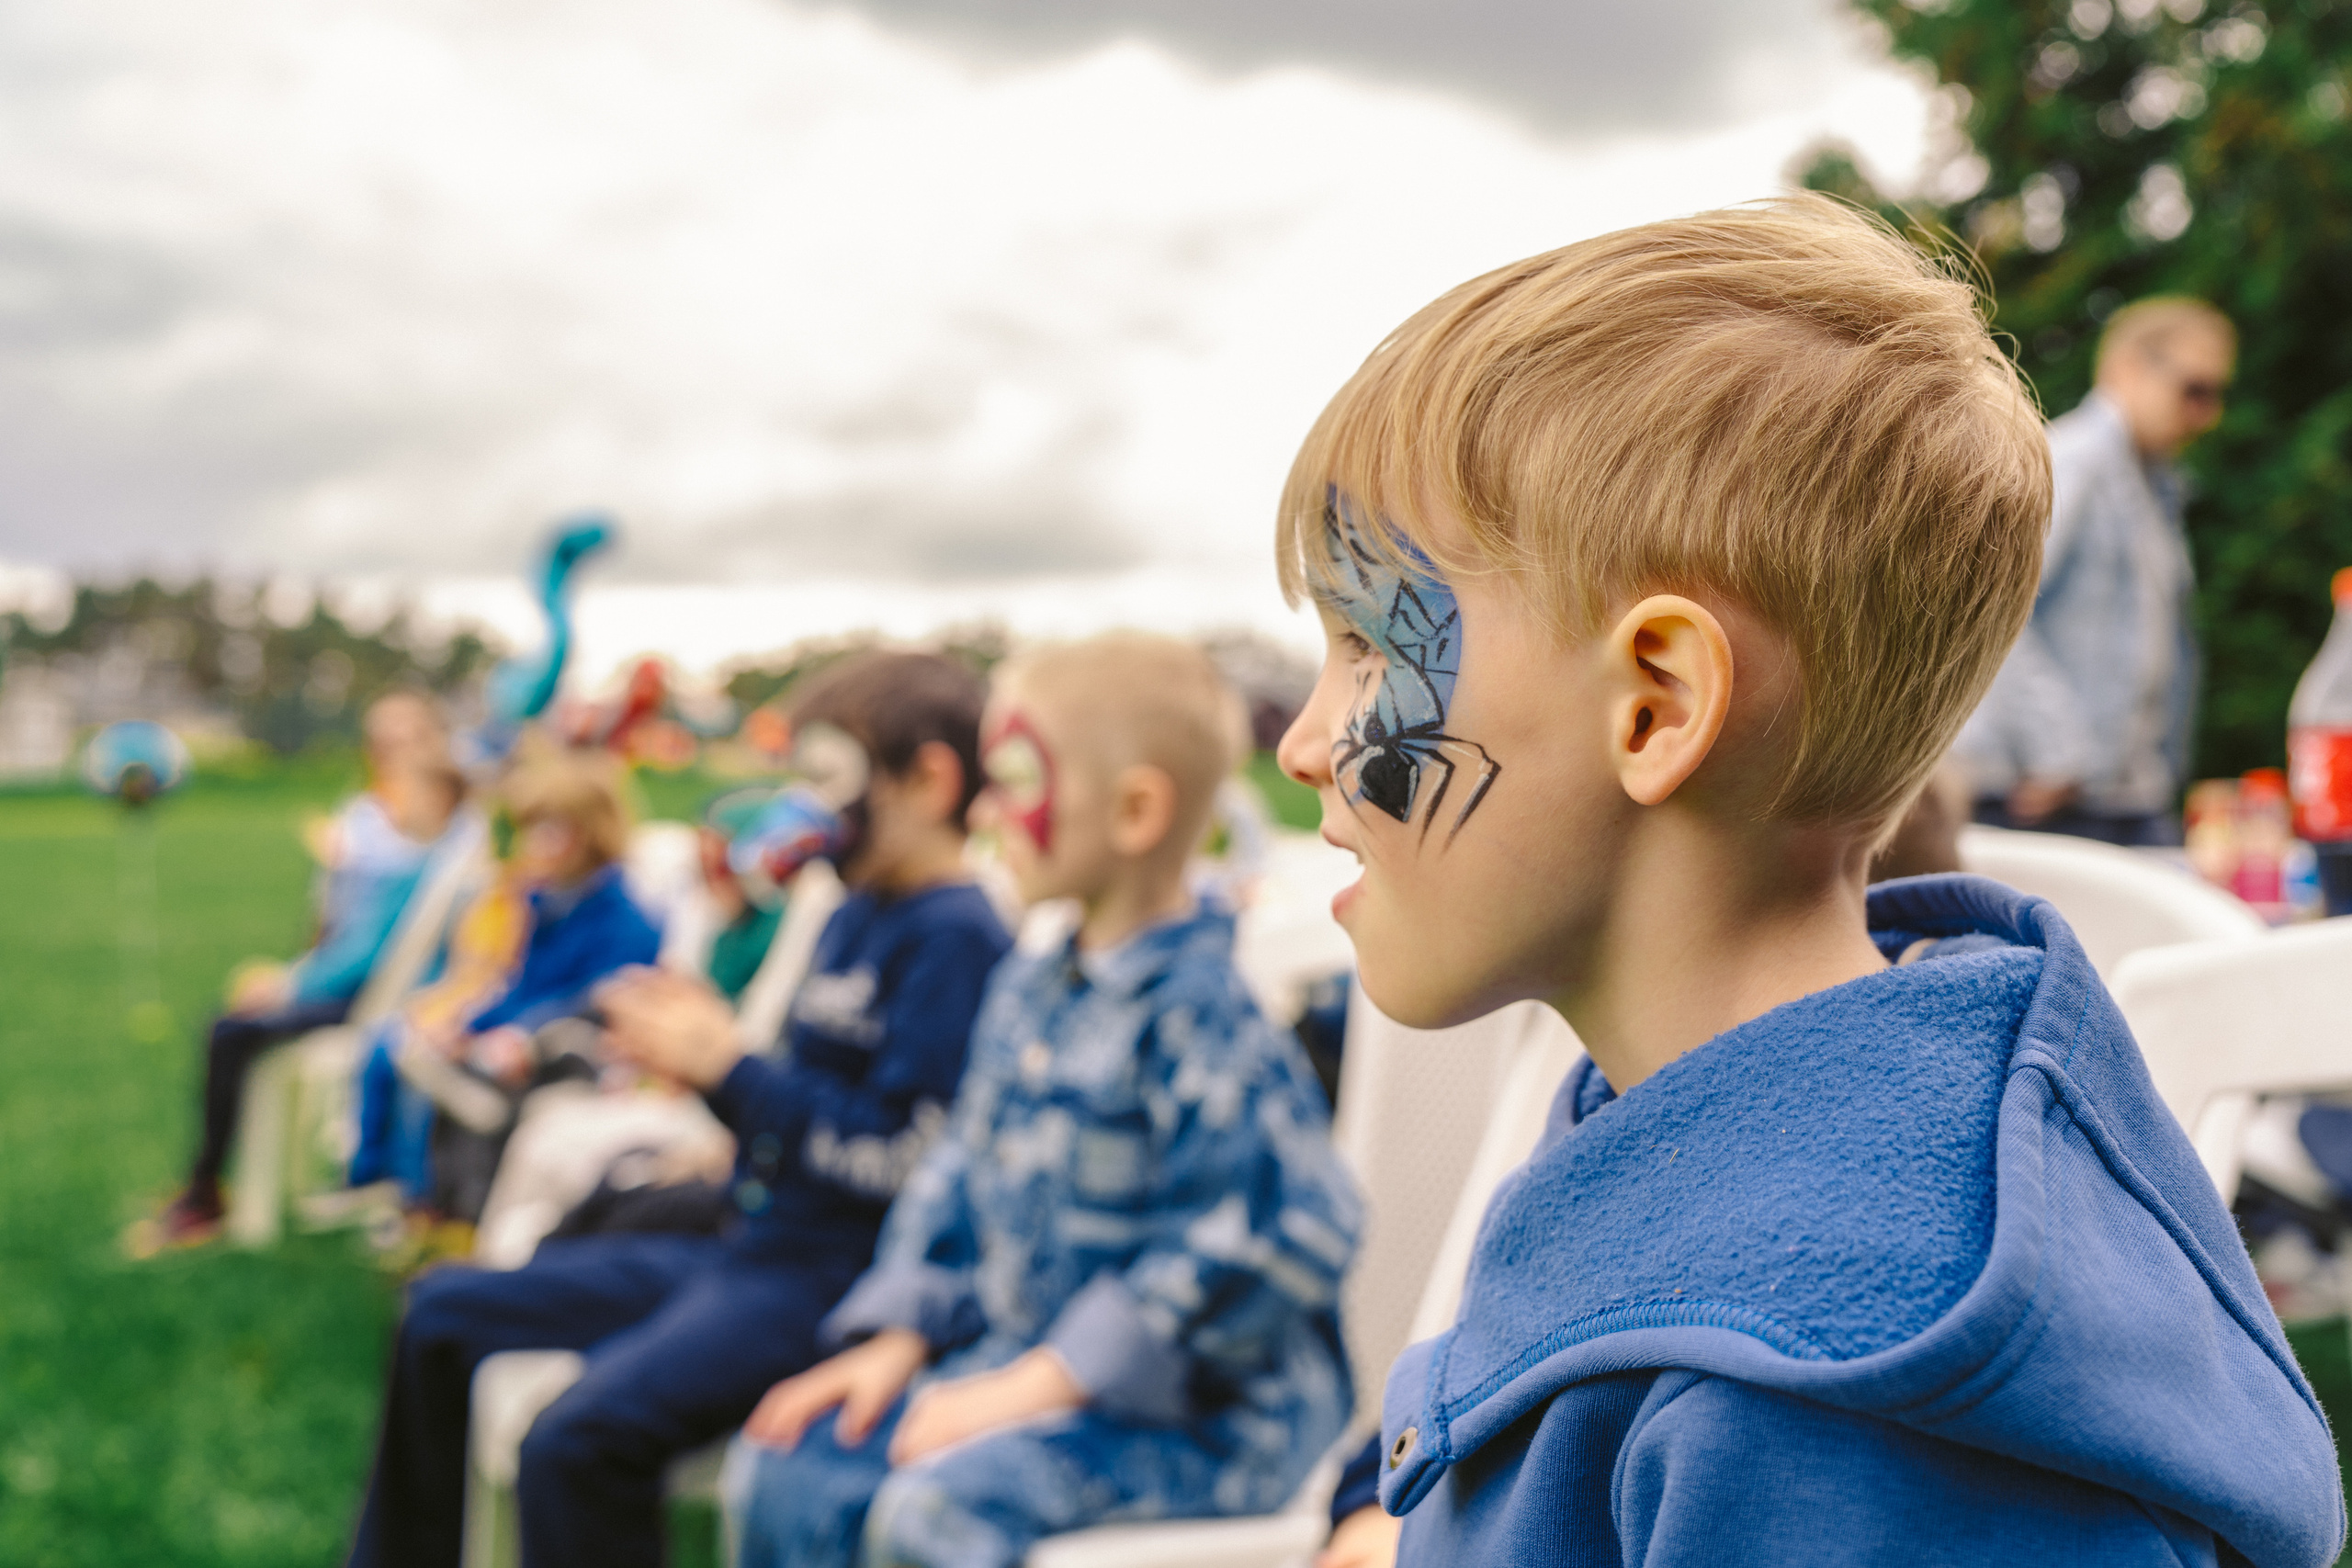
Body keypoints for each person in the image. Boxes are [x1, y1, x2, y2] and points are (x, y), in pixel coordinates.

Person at [1272, 197, 2339, 1564]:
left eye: (1368, 643)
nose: (1305, 740)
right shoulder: (1660, 1117)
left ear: (1655, 706)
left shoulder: (1839, 1414)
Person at [344, 650, 1012, 1568]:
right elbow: (811, 1101)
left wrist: (729, 1071)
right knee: (440, 1310)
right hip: (748, 1237)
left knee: (576, 1445)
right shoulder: (856, 908)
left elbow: (905, 1161)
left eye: (826, 780)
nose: (804, 811)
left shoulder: (956, 938)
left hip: (833, 1284)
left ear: (930, 780)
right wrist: (708, 1083)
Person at [721, 633, 1361, 1568]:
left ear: (1135, 811)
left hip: (1203, 1426)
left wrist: (1039, 1385)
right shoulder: (1028, 987)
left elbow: (1286, 1228)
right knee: (786, 1466)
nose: (984, 809)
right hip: (1020, 1372)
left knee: (934, 1515)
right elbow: (956, 1171)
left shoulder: (1202, 1015)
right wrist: (900, 1332)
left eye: (1014, 779)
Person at [130, 690, 460, 1253]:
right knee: (233, 1020)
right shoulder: (370, 814)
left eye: (408, 738)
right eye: (382, 740)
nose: (393, 753)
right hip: (345, 978)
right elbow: (336, 921)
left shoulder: (435, 830)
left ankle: (205, 1193)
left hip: (382, 998)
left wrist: (290, 984)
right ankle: (206, 1188)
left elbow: (374, 947)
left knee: (229, 1031)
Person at [1958, 297, 2236, 845]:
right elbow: (1990, 610)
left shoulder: (2158, 488)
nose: (2208, 415)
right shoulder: (2069, 463)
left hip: (2123, 796)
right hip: (2046, 800)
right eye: (2195, 391)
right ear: (2130, 367)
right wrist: (2058, 754)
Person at [362, 744, 664, 1223]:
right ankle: (424, 1201)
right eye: (532, 830)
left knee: (480, 1085)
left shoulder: (625, 917)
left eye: (551, 830)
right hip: (515, 1041)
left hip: (574, 1055)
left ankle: (470, 1216)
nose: (536, 845)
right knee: (424, 1054)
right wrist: (467, 1023)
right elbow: (516, 985)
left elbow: (595, 1000)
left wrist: (516, 1035)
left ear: (590, 833)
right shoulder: (542, 901)